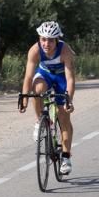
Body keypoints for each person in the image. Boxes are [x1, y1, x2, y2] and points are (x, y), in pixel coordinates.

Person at [19, 20, 75, 175]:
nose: (46, 43)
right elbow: (28, 77)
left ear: (57, 39)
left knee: (64, 117)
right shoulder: (34, 50)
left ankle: (66, 157)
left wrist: (69, 99)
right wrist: (24, 99)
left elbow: (70, 79)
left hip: (62, 78)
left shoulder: (65, 51)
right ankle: (40, 122)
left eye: (50, 40)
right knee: (37, 89)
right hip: (45, 75)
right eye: (43, 39)